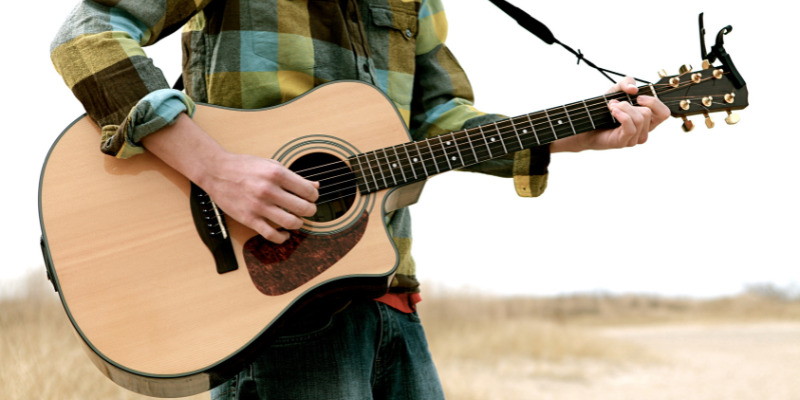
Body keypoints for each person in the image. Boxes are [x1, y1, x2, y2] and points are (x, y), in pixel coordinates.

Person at [50, 0, 670, 398]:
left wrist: (569, 138)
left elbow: (437, 117)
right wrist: (216, 170)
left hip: (390, 295)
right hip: (273, 304)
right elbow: (88, 36)